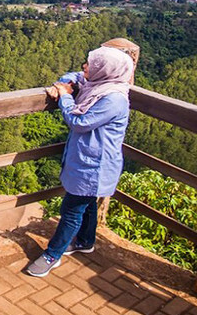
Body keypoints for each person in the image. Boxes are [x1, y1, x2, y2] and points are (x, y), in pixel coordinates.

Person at [26, 46, 134, 277]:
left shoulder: (113, 99)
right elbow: (75, 76)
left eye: (90, 64)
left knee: (72, 210)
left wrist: (65, 96)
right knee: (86, 203)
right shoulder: (100, 84)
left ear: (105, 70)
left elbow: (80, 122)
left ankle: (51, 255)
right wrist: (62, 83)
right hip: (86, 161)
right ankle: (85, 241)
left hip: (95, 165)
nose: (85, 67)